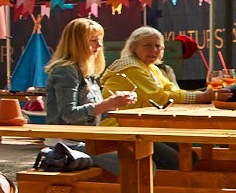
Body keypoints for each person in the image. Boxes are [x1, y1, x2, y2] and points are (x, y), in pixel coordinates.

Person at [44, 17, 169, 173]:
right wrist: (108, 104)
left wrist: (116, 104)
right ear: (77, 43)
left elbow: (94, 116)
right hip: (67, 145)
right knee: (143, 167)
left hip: (90, 139)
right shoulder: (65, 70)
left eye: (100, 40)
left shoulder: (87, 71)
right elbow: (69, 115)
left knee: (151, 153)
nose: (100, 45)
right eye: (93, 41)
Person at [103, 27, 211, 111]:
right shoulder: (132, 68)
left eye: (158, 46)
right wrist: (201, 97)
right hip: (118, 125)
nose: (154, 50)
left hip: (136, 123)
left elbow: (170, 89)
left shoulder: (150, 67)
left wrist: (200, 95)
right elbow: (158, 97)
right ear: (133, 47)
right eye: (147, 45)